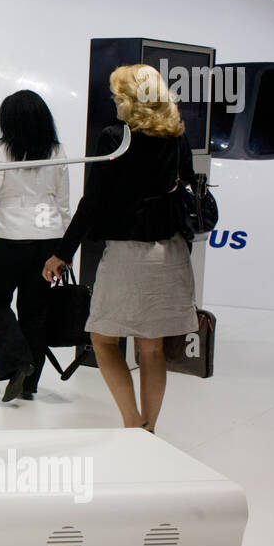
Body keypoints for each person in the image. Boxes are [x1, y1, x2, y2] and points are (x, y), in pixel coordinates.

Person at [44, 63, 198, 433]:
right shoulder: (176, 137)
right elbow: (189, 187)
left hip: (129, 254)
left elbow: (93, 201)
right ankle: (148, 429)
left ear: (131, 99)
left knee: (103, 339)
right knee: (152, 347)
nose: (113, 100)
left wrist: (62, 252)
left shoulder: (116, 137)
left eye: (118, 94)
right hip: (172, 253)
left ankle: (132, 422)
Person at [0, 90, 70, 402]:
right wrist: (64, 248)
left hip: (10, 237)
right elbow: (63, 203)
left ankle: (20, 363)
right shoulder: (57, 150)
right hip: (49, 237)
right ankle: (30, 384)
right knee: (34, 312)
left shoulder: (0, 149)